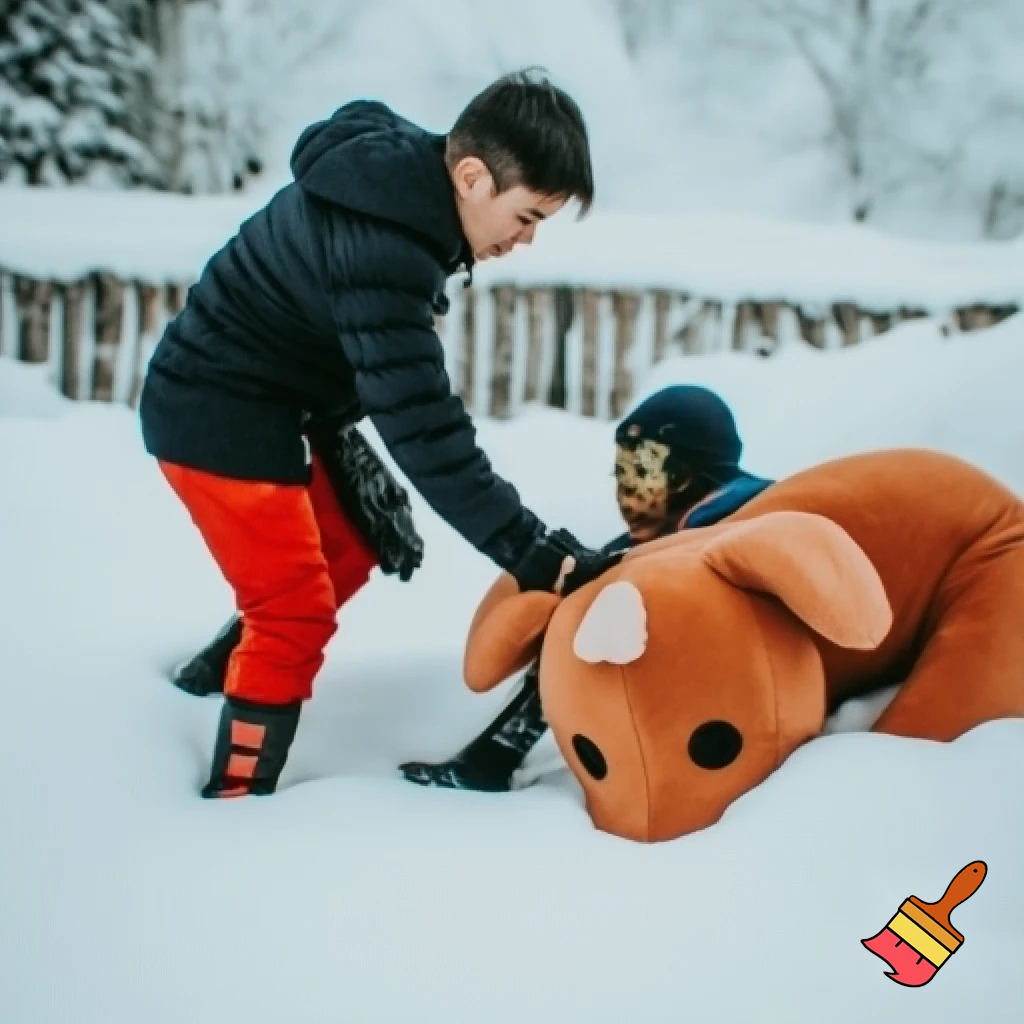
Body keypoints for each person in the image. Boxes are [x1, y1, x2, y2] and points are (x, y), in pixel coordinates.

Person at [140, 69, 622, 800]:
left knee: (354, 543)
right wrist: (528, 549)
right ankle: (234, 799)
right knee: (293, 611)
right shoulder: (387, 246)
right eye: (527, 216)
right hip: (216, 413)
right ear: (471, 176)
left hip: (278, 405)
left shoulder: (399, 189)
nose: (526, 241)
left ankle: (215, 674)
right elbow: (423, 425)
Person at [399, 384, 775, 791]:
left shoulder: (740, 519)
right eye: (619, 473)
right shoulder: (668, 528)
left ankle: (491, 761)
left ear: (688, 477)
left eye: (642, 471)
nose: (624, 490)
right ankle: (491, 758)